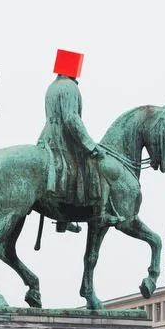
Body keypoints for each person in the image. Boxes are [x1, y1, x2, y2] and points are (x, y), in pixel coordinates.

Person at [36, 51, 125, 229]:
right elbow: (71, 119)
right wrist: (91, 146)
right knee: (95, 165)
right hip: (63, 139)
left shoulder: (52, 87)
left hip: (47, 137)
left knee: (66, 173)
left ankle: (63, 219)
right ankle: (101, 214)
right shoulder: (69, 87)